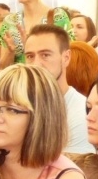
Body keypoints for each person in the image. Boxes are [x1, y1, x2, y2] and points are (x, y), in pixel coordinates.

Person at [24, 24, 94, 154]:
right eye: (30, 56)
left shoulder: (82, 112)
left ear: (66, 58)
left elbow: (75, 171)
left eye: (45, 55)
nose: (36, 64)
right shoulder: (18, 104)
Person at [0, 0, 75, 68]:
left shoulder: (58, 17)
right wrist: (10, 53)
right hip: (18, 82)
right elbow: (2, 67)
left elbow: (69, 59)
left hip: (47, 82)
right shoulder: (10, 21)